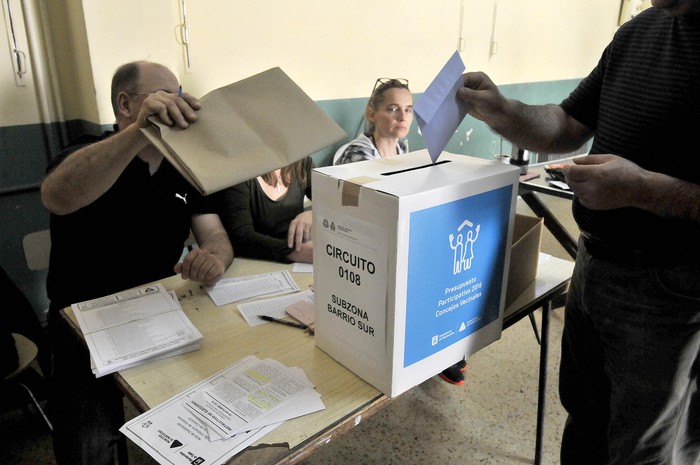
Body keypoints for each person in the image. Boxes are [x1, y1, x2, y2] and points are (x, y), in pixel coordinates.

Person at [457, 2, 700, 463]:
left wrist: (644, 190)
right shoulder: (638, 32)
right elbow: (568, 125)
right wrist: (503, 111)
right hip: (593, 265)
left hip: (672, 289)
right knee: (585, 417)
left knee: (645, 447)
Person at [41, 61, 234, 465]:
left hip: (158, 309)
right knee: (89, 448)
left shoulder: (182, 167)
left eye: (179, 95)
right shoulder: (87, 151)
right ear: (125, 104)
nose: (176, 105)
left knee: (207, 421)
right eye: (163, 96)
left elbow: (215, 235)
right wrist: (137, 133)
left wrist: (213, 257)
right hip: (83, 322)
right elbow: (58, 197)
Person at [216, 157, 314, 264]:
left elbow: (333, 203)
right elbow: (241, 237)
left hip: (298, 262)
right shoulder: (239, 173)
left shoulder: (303, 162)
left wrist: (314, 214)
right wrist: (294, 252)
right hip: (255, 263)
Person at [334, 78, 413, 164]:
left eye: (408, 110)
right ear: (372, 115)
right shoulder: (356, 154)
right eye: (393, 109)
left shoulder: (401, 148)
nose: (402, 117)